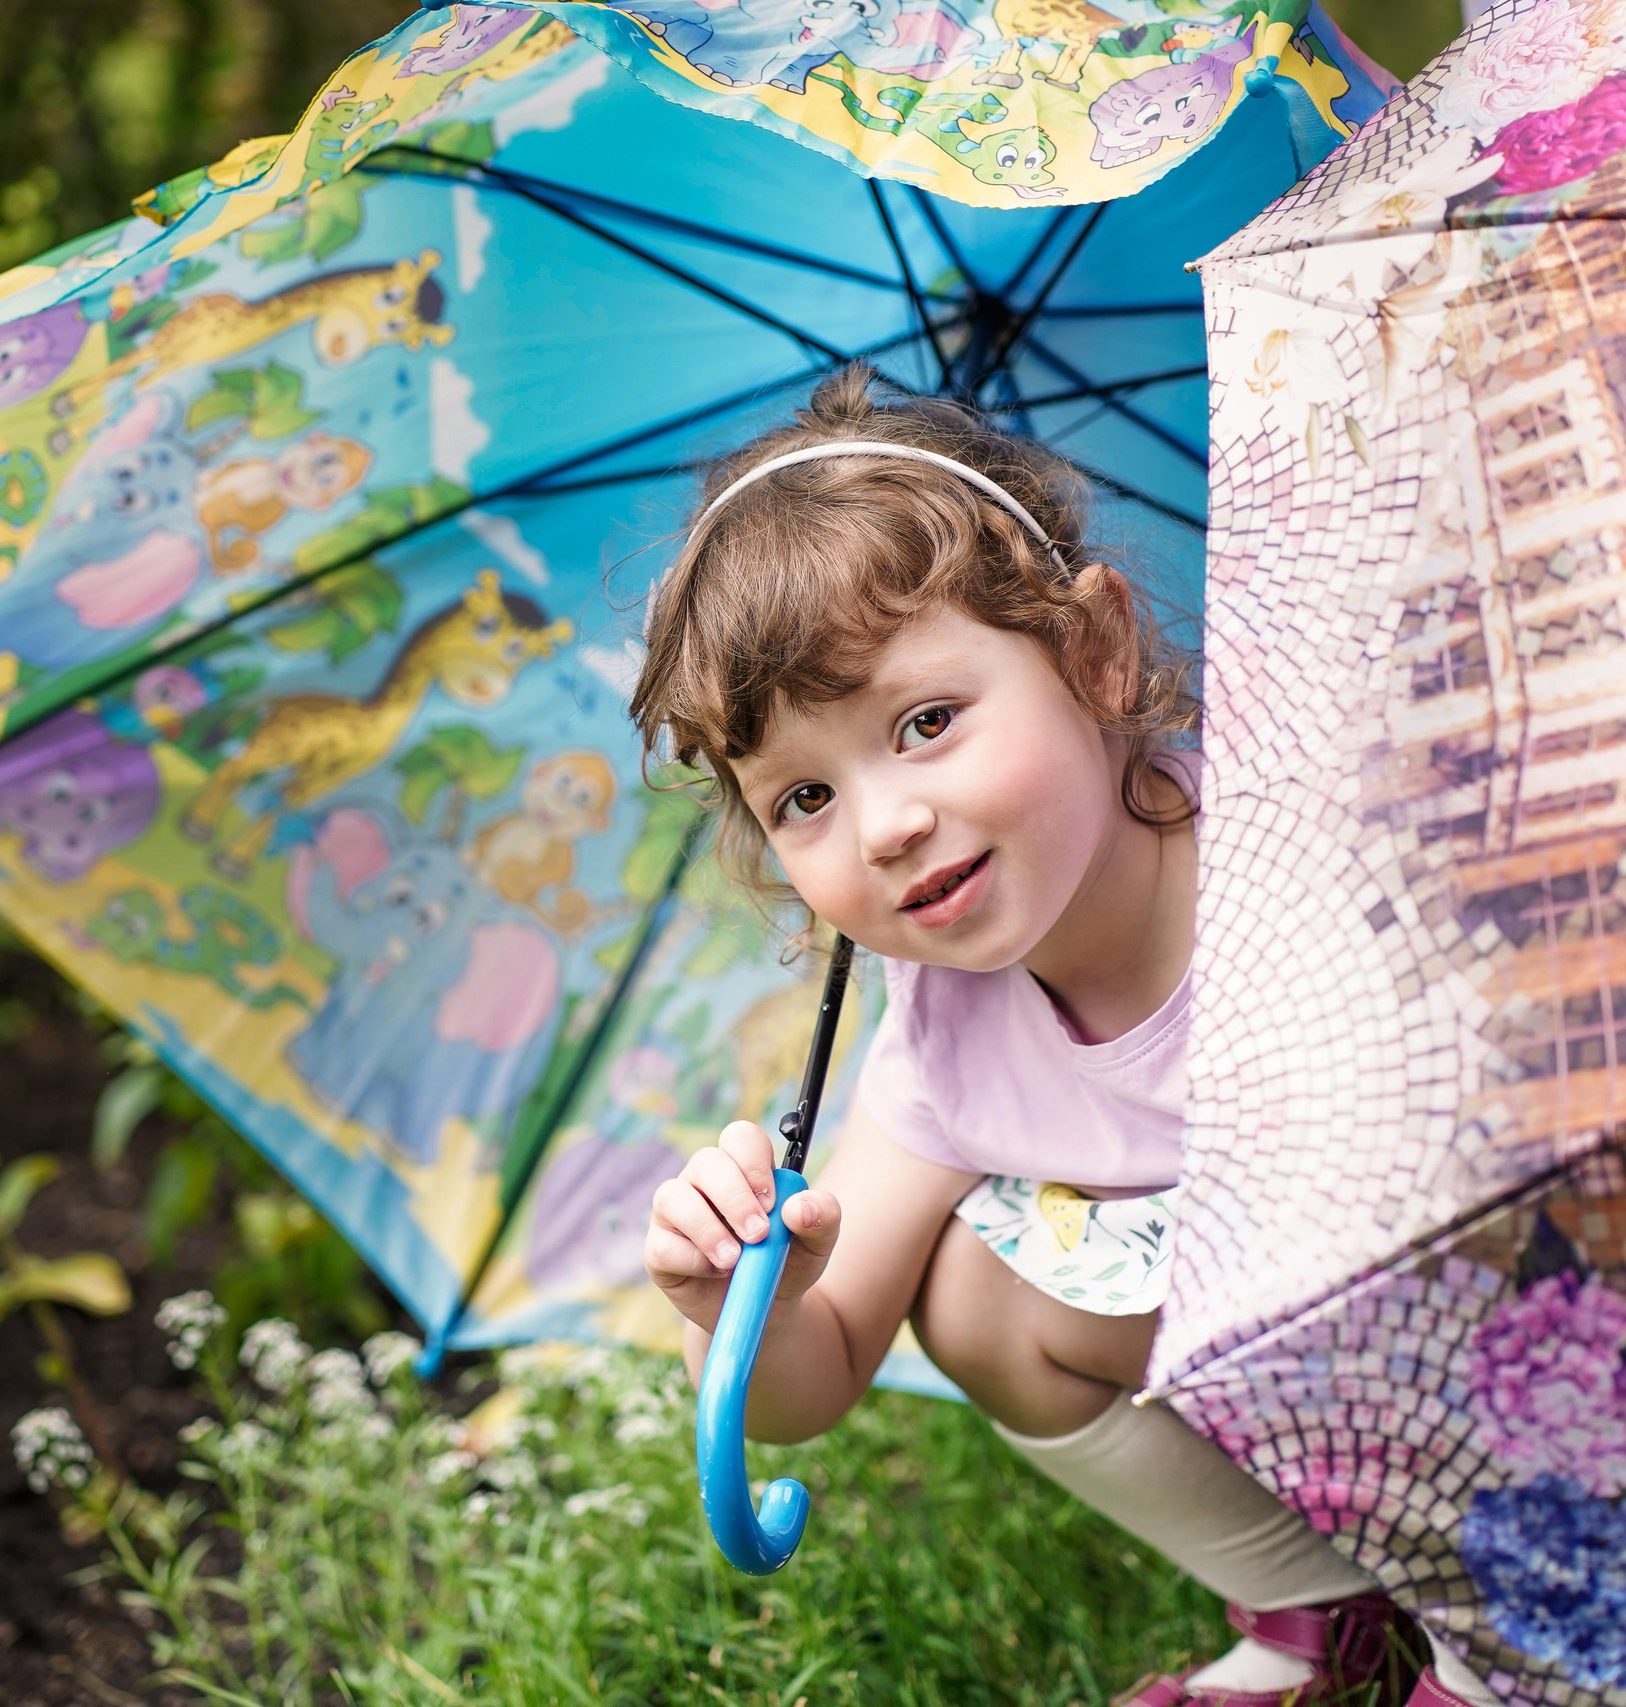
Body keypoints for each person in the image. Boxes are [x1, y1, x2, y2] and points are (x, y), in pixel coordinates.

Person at [631, 365, 1496, 1707]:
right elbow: (823, 1374)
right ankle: (1321, 1612)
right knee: (979, 1297)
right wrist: (740, 1308)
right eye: (804, 795)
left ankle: (1505, 1636)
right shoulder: (947, 1032)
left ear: (1094, 654)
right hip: (1302, 1367)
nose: (885, 824)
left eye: (926, 723)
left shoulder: (1309, 871)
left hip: (1484, 1320)